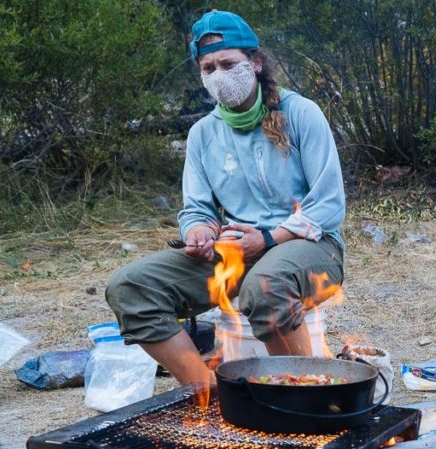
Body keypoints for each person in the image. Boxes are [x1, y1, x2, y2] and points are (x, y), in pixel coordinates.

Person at [106, 10, 346, 385]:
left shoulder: (300, 113)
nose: (218, 75)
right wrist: (199, 231)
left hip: (311, 246)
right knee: (130, 286)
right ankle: (209, 393)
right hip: (236, 253)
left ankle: (305, 395)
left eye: (228, 63)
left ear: (255, 62)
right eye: (208, 67)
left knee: (265, 287)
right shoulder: (203, 134)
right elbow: (197, 207)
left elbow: (329, 204)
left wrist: (267, 238)